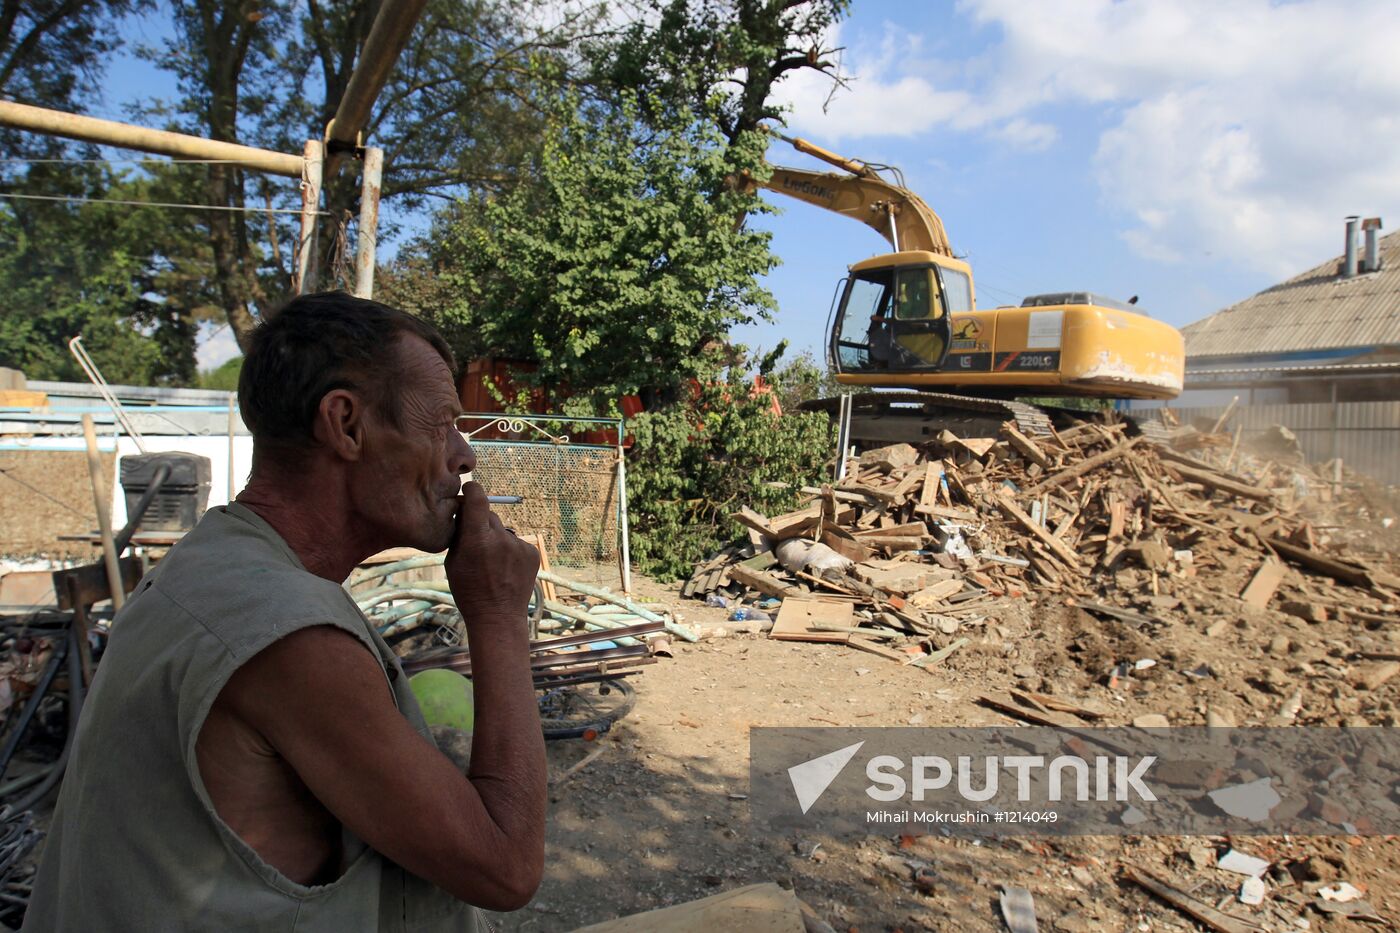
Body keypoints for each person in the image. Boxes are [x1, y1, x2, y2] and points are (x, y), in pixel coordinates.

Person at [24, 292, 546, 931]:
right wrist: (496, 615)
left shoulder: (212, 562)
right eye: (442, 424)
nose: (464, 455)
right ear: (346, 424)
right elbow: (507, 868)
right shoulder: (290, 636)